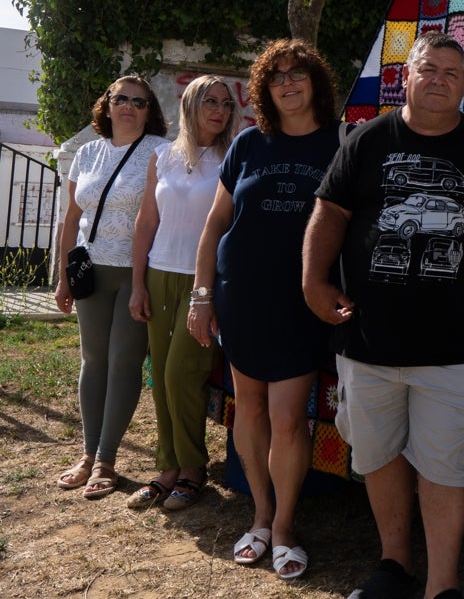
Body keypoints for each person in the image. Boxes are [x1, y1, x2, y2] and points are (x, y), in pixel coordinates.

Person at [302, 32, 464, 599]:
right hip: (366, 338)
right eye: (429, 67)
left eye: (452, 70)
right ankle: (393, 565)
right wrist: (313, 281)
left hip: (454, 347)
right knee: (377, 454)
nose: (439, 78)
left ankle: (442, 585)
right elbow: (330, 212)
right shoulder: (365, 140)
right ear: (407, 75)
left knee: (448, 464)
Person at [190, 40, 342, 581]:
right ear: (264, 89)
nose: (287, 83)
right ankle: (258, 515)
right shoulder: (249, 142)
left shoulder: (341, 142)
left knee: (286, 419)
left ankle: (283, 527)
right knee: (248, 411)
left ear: (314, 82)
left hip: (300, 301)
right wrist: (202, 296)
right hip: (240, 297)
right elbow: (214, 227)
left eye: (298, 73)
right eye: (276, 77)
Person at [126, 75, 238, 510]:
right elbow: (146, 223)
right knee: (160, 381)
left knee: (182, 376)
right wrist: (137, 284)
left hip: (203, 282)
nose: (219, 110)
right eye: (209, 101)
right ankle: (168, 468)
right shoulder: (162, 155)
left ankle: (193, 469)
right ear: (189, 105)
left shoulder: (232, 156)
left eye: (226, 104)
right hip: (158, 274)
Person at [54, 76, 169, 499]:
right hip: (91, 271)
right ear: (107, 104)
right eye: (120, 98)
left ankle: (106, 459)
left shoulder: (159, 152)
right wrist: (64, 276)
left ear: (148, 110)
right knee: (92, 360)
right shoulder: (86, 153)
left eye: (138, 101)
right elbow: (71, 220)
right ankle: (86, 455)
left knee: (123, 361)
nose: (128, 106)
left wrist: (143, 280)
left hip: (136, 274)